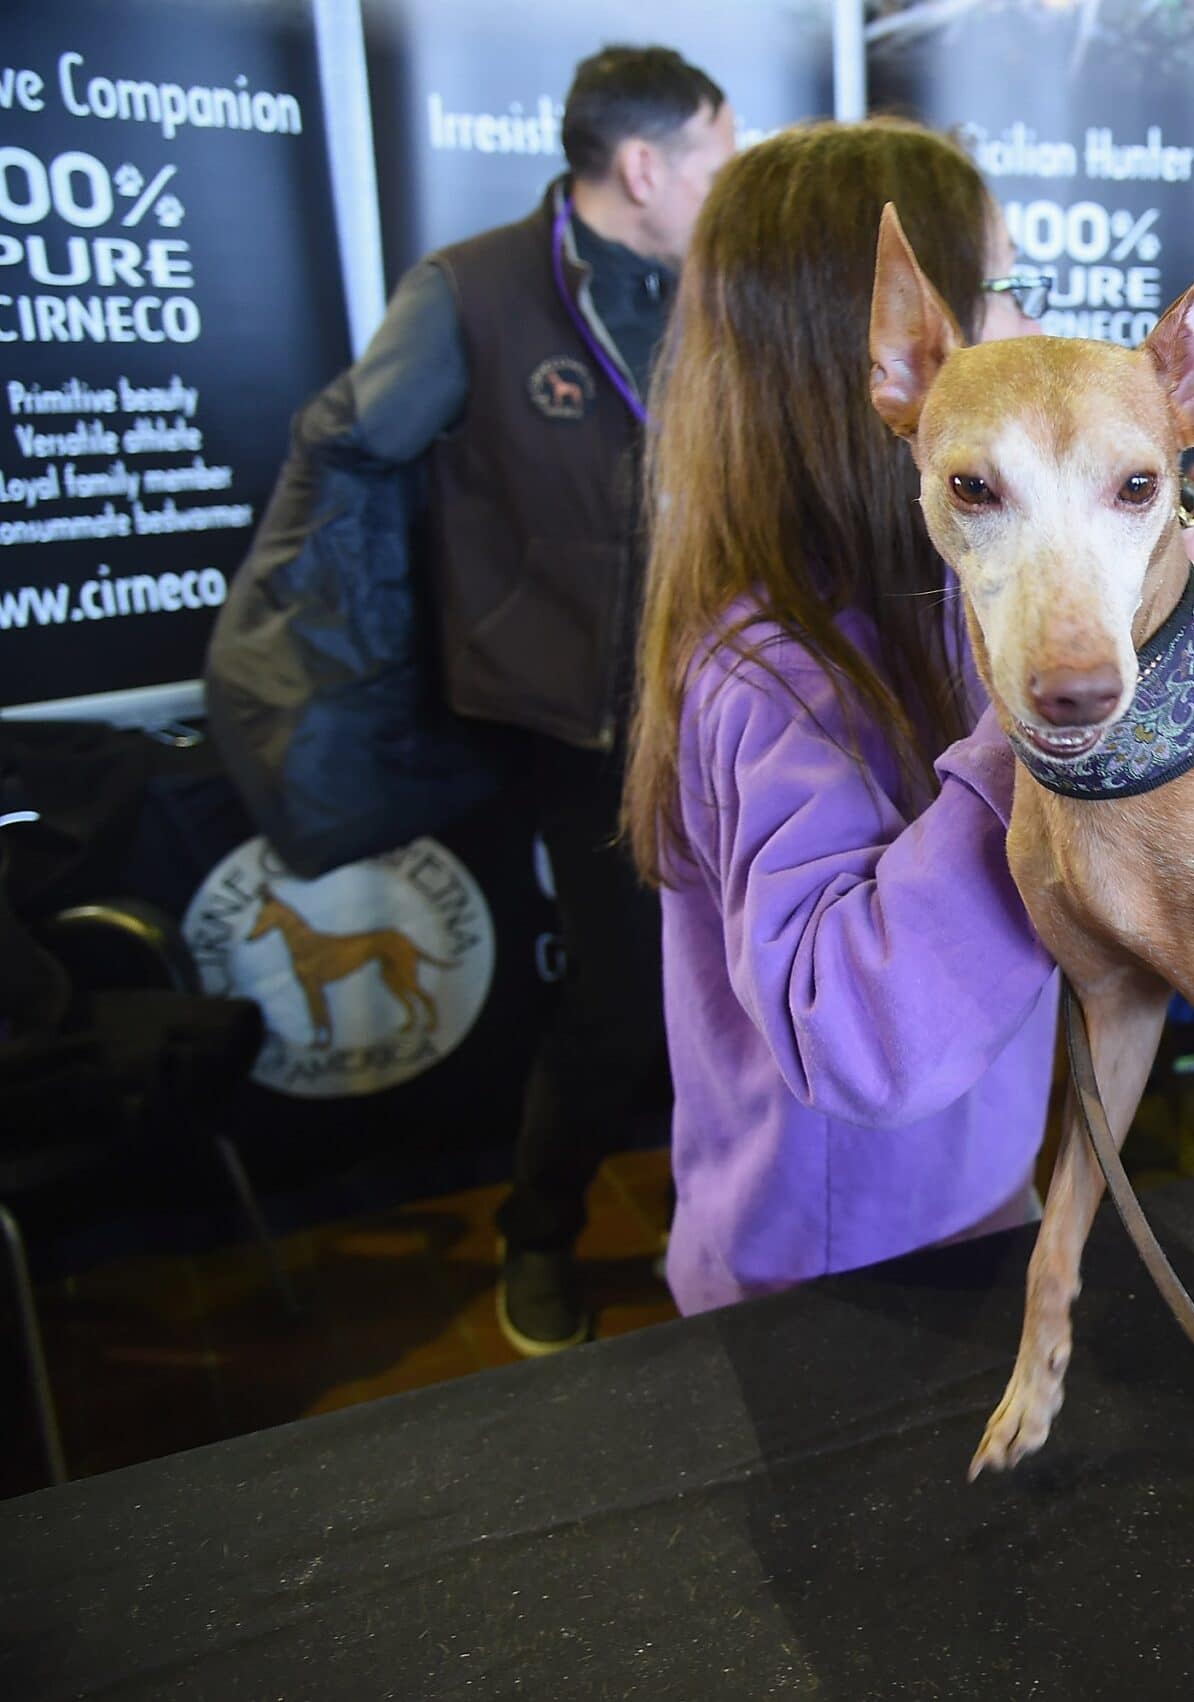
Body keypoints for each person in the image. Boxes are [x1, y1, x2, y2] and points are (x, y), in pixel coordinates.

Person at [253, 47, 736, 1352]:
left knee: (741, 987)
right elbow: (347, 461)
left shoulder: (722, 294)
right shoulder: (468, 291)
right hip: (568, 729)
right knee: (621, 1000)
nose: (734, 179)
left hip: (727, 715)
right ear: (644, 170)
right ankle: (539, 1231)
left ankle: (723, 1224)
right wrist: (340, 664)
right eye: (717, 155)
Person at [622, 120, 1058, 1314]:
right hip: (831, 1281)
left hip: (969, 1206)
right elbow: (862, 1035)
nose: (1031, 329)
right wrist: (1050, 720)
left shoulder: (936, 605)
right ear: (887, 352)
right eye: (1005, 288)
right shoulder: (773, 669)